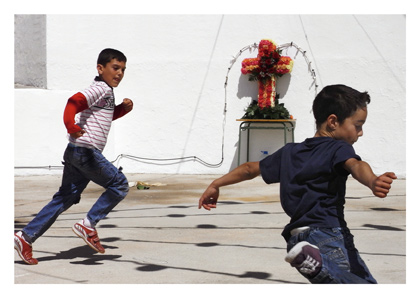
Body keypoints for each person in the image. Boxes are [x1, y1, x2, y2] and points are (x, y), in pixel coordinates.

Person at [198, 84, 397, 283]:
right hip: (329, 234)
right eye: (358, 125)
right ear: (333, 122)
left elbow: (250, 168)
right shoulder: (338, 148)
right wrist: (372, 180)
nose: (360, 133)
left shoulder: (290, 151)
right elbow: (356, 165)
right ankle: (319, 267)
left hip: (297, 238)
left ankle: (314, 262)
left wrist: (216, 184)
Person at [14, 48, 134, 265]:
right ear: (100, 68)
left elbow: (104, 117)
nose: (120, 73)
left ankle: (25, 237)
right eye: (115, 68)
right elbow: (73, 102)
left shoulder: (106, 91)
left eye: (123, 70)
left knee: (65, 198)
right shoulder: (100, 87)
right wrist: (71, 125)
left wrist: (122, 110)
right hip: (86, 152)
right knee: (120, 185)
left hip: (75, 151)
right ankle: (88, 224)